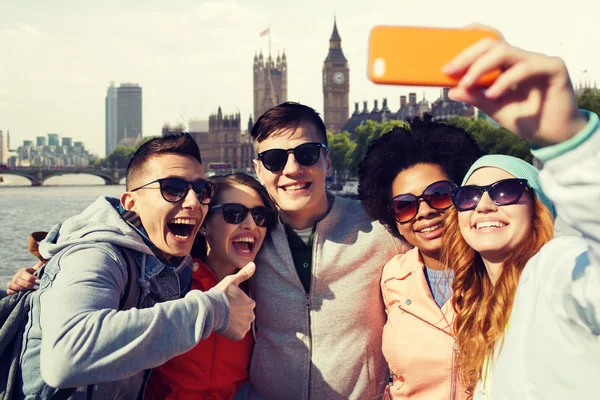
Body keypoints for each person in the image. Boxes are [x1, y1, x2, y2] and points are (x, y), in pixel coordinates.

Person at [14, 134, 256, 399]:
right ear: (131, 203)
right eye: (172, 188)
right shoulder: (97, 253)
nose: (192, 202)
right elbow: (66, 357)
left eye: (202, 191)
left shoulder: (173, 262)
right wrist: (214, 310)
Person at [441, 36, 599, 399]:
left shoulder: (558, 271)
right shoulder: (476, 307)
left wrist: (569, 143)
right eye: (468, 195)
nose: (483, 206)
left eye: (505, 191)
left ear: (538, 206)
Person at [248, 102, 410, 399]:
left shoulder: (380, 229)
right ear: (258, 170)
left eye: (306, 154)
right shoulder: (247, 238)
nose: (292, 170)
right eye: (274, 160)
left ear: (327, 160)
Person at [358, 114, 482, 399]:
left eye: (438, 195)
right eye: (405, 205)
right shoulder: (392, 276)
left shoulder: (503, 270)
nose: (424, 212)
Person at [144, 173, 276, 400]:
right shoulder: (167, 284)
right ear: (204, 224)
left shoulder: (262, 293)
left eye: (260, 216)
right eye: (234, 213)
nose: (251, 224)